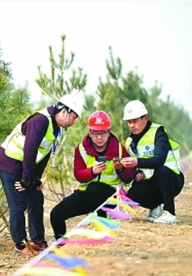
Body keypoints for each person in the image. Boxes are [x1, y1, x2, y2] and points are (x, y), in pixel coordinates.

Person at [0, 91, 83, 255]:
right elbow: (29, 151)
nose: (74, 122)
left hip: (24, 166)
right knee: (18, 205)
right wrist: (25, 179)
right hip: (9, 163)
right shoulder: (40, 121)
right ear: (65, 111)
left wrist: (34, 178)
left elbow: (42, 154)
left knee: (36, 199)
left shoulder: (55, 126)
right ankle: (21, 244)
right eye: (74, 117)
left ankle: (38, 241)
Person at [50, 110, 135, 240]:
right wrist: (92, 171)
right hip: (86, 194)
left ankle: (103, 229)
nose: (99, 137)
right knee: (56, 214)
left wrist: (120, 169)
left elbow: (129, 178)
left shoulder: (119, 149)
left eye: (102, 133)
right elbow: (78, 174)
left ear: (108, 132)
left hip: (111, 197)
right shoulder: (81, 149)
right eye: (95, 133)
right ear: (89, 133)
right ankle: (62, 246)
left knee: (95, 188)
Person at [120, 99, 184, 224]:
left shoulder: (158, 132)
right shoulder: (129, 142)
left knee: (162, 171)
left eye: (135, 121)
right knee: (133, 194)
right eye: (129, 122)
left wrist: (137, 162)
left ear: (145, 118)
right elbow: (134, 166)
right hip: (151, 180)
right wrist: (135, 172)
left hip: (173, 180)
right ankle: (156, 207)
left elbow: (159, 159)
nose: (132, 125)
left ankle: (170, 212)